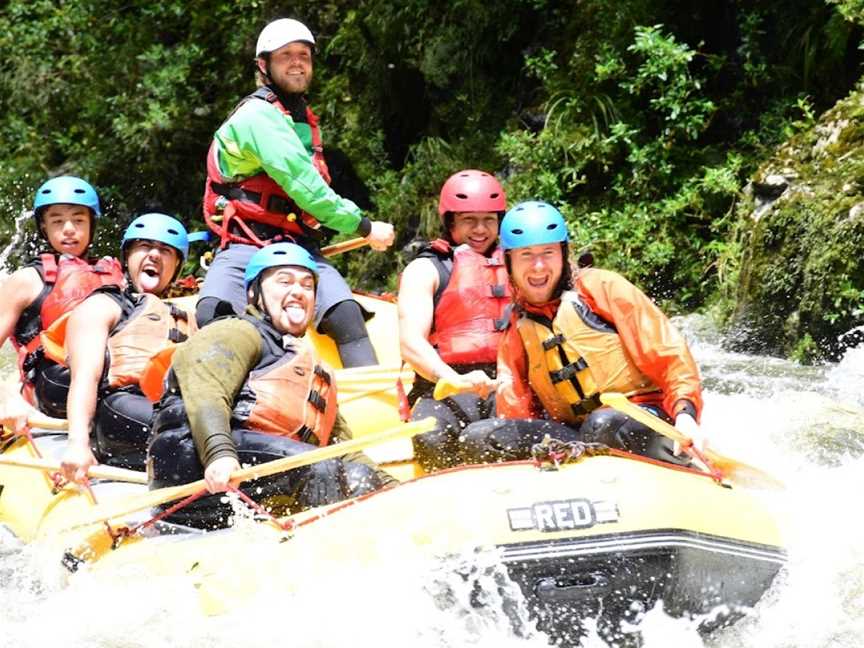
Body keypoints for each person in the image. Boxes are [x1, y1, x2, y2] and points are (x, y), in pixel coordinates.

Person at [148, 242, 393, 530]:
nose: (298, 291)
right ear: (255, 294)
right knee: (322, 468)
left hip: (258, 466)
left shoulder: (307, 365)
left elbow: (339, 445)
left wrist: (388, 485)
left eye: (307, 285)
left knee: (356, 474)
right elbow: (206, 390)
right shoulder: (237, 331)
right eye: (284, 281)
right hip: (191, 465)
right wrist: (220, 455)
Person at [197, 17, 395, 368]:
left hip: (297, 246)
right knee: (213, 314)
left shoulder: (299, 119)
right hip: (247, 243)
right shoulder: (258, 117)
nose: (297, 62)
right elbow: (308, 189)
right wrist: (365, 227)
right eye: (285, 55)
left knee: (346, 316)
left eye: (303, 54)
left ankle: (372, 409)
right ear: (264, 65)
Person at [461, 201, 706, 464]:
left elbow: (668, 354)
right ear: (508, 262)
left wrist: (685, 413)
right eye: (526, 255)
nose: (539, 266)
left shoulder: (601, 288)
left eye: (548, 252)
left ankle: (669, 457)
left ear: (563, 254)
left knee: (601, 425)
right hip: (575, 433)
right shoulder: (518, 326)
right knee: (481, 437)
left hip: (642, 415)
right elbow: (516, 409)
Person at [44, 213, 195, 481]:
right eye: (144, 247)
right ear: (127, 257)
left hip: (169, 410)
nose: (154, 256)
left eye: (165, 251)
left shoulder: (188, 319)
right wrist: (77, 443)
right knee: (191, 425)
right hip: (120, 411)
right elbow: (85, 377)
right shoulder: (104, 306)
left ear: (177, 267)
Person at [398, 170, 510, 471]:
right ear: (451, 222)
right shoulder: (425, 270)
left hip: (503, 382)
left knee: (506, 432)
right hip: (442, 386)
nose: (480, 229)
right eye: (469, 220)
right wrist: (451, 378)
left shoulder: (517, 264)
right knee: (432, 435)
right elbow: (411, 343)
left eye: (489, 219)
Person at [0, 176, 124, 428]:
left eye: (78, 219)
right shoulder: (27, 280)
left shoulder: (112, 278)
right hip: (50, 397)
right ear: (44, 228)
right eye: (57, 221)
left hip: (107, 388)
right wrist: (5, 399)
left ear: (91, 225)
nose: (68, 228)